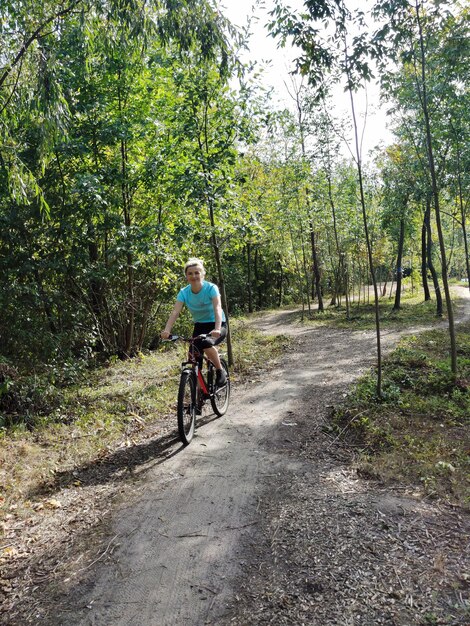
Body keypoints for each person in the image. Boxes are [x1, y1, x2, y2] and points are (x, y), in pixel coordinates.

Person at [161, 258, 227, 386]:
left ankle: (220, 370)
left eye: (197, 272)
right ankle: (197, 395)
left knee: (207, 343)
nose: (194, 276)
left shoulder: (211, 288)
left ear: (203, 274)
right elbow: (175, 312)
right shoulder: (184, 292)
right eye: (190, 273)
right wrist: (167, 330)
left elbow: (217, 308)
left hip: (217, 324)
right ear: (186, 276)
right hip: (199, 326)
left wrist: (217, 328)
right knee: (193, 356)